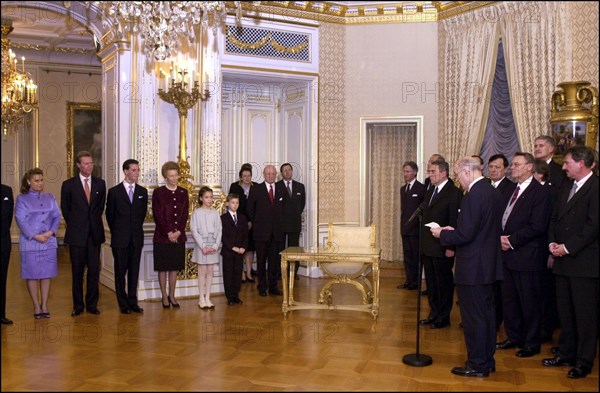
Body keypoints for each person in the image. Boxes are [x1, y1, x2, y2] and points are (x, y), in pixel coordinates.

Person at [431, 157, 503, 377]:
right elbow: (479, 229)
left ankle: (477, 364)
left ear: (468, 172)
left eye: (458, 175)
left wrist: (442, 233)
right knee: (487, 317)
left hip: (473, 268)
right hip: (487, 265)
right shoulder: (492, 192)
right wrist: (456, 229)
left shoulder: (473, 196)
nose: (458, 180)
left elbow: (466, 235)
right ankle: (487, 360)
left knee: (474, 319)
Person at [542, 146, 598, 379]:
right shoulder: (566, 186)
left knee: (585, 316)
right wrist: (553, 243)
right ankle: (566, 352)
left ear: (581, 163)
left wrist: (567, 247)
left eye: (567, 163)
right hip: (562, 260)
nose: (563, 167)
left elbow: (593, 226)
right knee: (565, 312)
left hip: (584, 263)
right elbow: (554, 217)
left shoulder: (596, 188)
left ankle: (584, 361)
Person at [495, 152, 551, 358]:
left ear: (530, 167)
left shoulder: (540, 192)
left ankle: (531, 342)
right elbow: (502, 217)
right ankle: (513, 336)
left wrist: (510, 240)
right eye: (512, 165)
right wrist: (499, 238)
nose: (512, 168)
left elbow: (537, 226)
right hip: (506, 255)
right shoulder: (511, 190)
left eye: (517, 164)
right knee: (509, 300)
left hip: (527, 255)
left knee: (529, 301)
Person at [61, 151, 106, 317]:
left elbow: (99, 208)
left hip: (94, 235)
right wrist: (76, 225)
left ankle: (92, 305)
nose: (89, 166)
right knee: (77, 272)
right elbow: (66, 209)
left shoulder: (100, 184)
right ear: (78, 166)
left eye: (91, 163)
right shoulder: (68, 185)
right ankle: (78, 306)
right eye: (86, 164)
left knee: (94, 271)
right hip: (76, 235)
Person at [419, 159, 462, 329]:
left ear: (444, 173)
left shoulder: (454, 193)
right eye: (428, 171)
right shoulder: (430, 191)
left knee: (443, 283)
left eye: (432, 171)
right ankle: (433, 313)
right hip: (428, 245)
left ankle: (443, 317)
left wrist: (451, 247)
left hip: (443, 245)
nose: (429, 175)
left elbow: (454, 221)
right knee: (431, 282)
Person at [15, 169, 61, 319]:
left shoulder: (50, 197)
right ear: (29, 182)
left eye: (41, 180)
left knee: (46, 275)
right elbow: (20, 220)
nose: (40, 183)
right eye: (36, 180)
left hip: (48, 241)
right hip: (31, 243)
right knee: (33, 275)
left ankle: (45, 304)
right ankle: (36, 305)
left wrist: (50, 233)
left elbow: (57, 216)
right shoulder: (22, 199)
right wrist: (35, 236)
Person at [106, 159, 148, 314]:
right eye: (134, 170)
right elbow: (110, 216)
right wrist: (119, 232)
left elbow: (141, 215)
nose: (137, 173)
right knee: (120, 272)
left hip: (136, 239)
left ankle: (133, 301)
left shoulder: (142, 192)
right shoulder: (114, 192)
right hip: (120, 240)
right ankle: (123, 303)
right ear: (125, 171)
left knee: (134, 271)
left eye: (138, 170)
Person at [152, 161, 189, 308]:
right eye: (170, 176)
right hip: (162, 237)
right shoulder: (158, 193)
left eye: (175, 175)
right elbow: (157, 214)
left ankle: (172, 295)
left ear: (178, 175)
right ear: (165, 177)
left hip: (178, 237)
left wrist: (178, 231)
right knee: (163, 268)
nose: (173, 178)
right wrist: (168, 233)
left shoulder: (183, 192)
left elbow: (184, 214)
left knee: (174, 267)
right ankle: (164, 297)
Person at [247, 165, 285, 297]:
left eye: (273, 174)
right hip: (261, 233)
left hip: (277, 233)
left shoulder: (281, 189)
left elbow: (284, 210)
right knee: (261, 262)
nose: (271, 176)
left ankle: (273, 287)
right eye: (268, 174)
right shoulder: (256, 189)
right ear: (264, 174)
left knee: (274, 262)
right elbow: (250, 209)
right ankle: (262, 286)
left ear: (276, 175)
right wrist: (257, 223)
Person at [191, 186, 222, 309]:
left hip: (213, 243)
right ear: (201, 198)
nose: (209, 200)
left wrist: (215, 245)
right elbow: (194, 230)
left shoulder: (215, 213)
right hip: (201, 244)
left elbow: (219, 230)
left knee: (210, 271)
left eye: (211, 197)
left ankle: (208, 297)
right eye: (206, 197)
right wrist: (203, 246)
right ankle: (201, 298)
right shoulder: (197, 213)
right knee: (202, 271)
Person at [398, 161, 425, 290]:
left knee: (415, 257)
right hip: (405, 229)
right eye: (404, 171)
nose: (405, 174)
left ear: (415, 172)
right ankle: (409, 281)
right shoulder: (403, 189)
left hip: (416, 231)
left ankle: (416, 283)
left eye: (408, 171)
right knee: (407, 257)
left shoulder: (421, 188)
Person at [277, 163, 306, 280]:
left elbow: (302, 204)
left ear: (292, 171)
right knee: (280, 248)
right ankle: (280, 272)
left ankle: (293, 272)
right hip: (280, 223)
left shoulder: (300, 186)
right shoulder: (276, 186)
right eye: (285, 170)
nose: (287, 172)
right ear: (281, 173)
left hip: (295, 223)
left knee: (294, 248)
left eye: (289, 170)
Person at [229, 163, 257, 283]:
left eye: (249, 175)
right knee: (241, 247)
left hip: (253, 223)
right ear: (240, 176)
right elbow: (232, 203)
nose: (247, 178)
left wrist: (251, 221)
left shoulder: (256, 187)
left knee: (250, 248)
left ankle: (249, 272)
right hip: (239, 222)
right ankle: (241, 274)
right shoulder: (234, 186)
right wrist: (242, 221)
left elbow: (257, 206)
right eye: (244, 175)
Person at [221, 193, 248, 306]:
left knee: (238, 273)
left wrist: (243, 247)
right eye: (232, 202)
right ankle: (230, 297)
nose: (235, 205)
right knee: (228, 274)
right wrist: (232, 247)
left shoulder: (242, 218)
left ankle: (236, 295)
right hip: (228, 251)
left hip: (240, 251)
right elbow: (223, 236)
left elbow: (245, 235)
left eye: (237, 203)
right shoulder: (223, 218)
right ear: (227, 204)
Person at [1, 184, 14, 325]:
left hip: (3, 242)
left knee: (2, 279)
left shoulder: (6, 191)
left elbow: (9, 217)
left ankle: (1, 314)